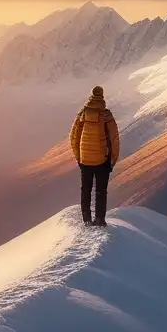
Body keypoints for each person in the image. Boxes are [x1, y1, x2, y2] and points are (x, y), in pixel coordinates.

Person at [69, 85, 120, 227]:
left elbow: (74, 137)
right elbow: (114, 139)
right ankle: (99, 219)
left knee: (85, 189)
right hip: (102, 160)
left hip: (85, 160)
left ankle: (86, 219)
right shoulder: (106, 115)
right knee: (100, 191)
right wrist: (113, 160)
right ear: (102, 96)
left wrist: (79, 157)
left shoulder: (82, 114)